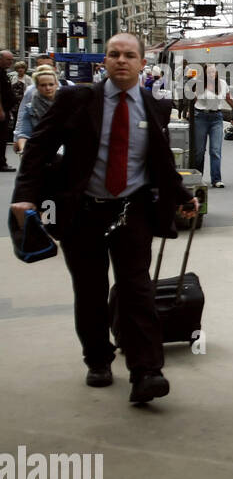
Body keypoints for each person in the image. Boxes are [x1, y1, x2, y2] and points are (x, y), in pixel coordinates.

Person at [9, 33, 198, 404]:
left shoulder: (155, 106)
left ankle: (147, 371)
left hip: (132, 210)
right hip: (83, 212)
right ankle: (97, 358)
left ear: (143, 64)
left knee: (137, 290)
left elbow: (160, 161)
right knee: (91, 290)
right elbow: (39, 149)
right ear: (104, 63)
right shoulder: (76, 99)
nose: (121, 61)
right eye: (114, 55)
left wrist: (182, 195)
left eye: (129, 55)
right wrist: (25, 197)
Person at [190, 64, 230, 188]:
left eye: (214, 72)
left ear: (217, 73)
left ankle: (216, 179)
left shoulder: (222, 84)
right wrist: (187, 113)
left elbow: (229, 98)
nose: (212, 74)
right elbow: (193, 101)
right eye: (209, 72)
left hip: (216, 118)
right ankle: (198, 177)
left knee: (215, 150)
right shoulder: (199, 84)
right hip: (201, 117)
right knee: (199, 151)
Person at [13, 65, 60, 154]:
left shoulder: (67, 104)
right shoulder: (30, 107)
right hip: (40, 150)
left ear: (56, 85)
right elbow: (24, 132)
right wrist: (23, 149)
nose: (48, 88)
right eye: (43, 85)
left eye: (51, 84)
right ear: (37, 86)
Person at [0, 50, 16, 171]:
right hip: (1, 111)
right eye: (8, 60)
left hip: (6, 110)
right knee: (1, 137)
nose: (11, 62)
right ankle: (1, 163)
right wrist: (1, 110)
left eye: (12, 60)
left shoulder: (4, 72)